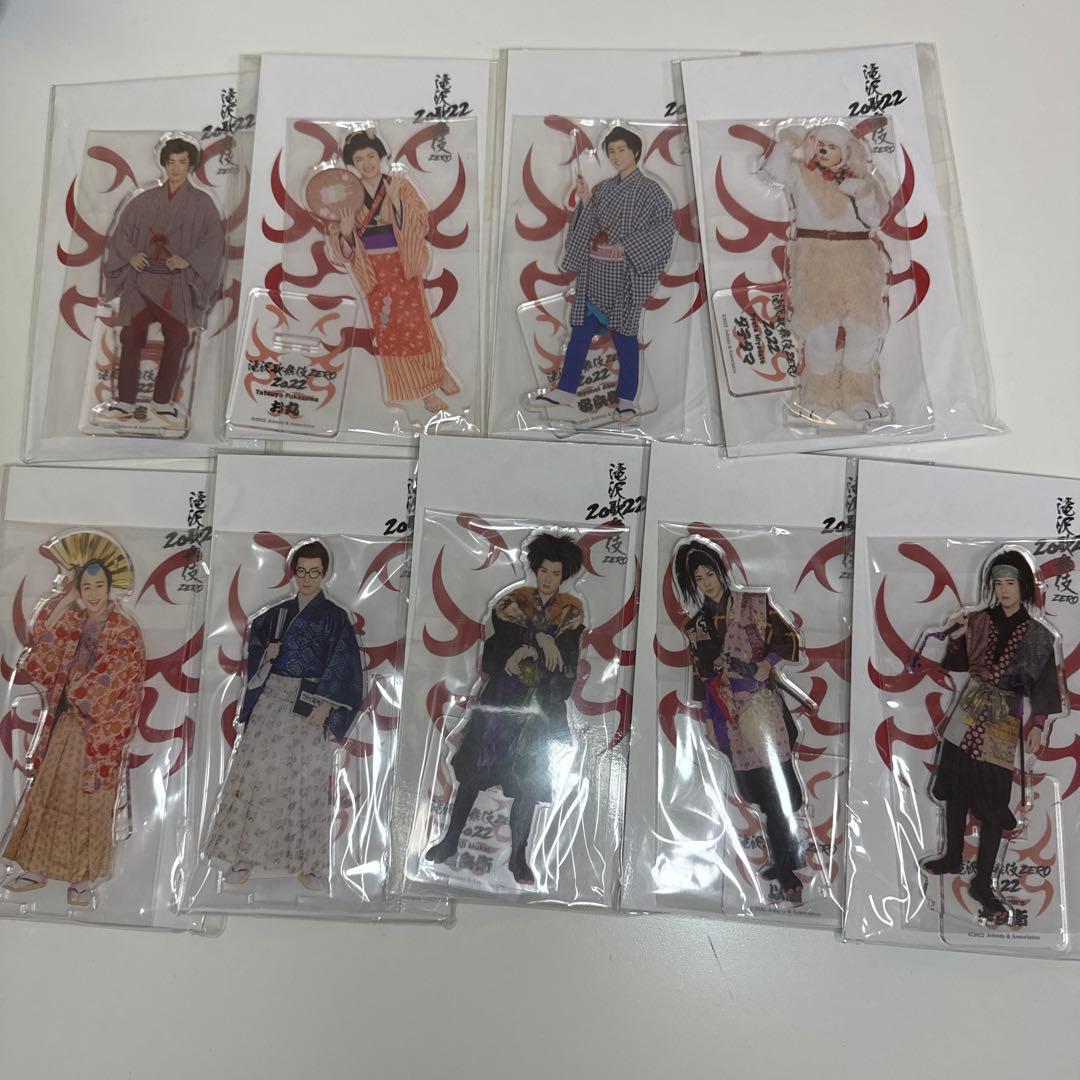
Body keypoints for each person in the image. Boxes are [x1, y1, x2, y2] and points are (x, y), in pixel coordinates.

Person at [426, 532, 586, 886]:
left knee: (528, 782)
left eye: (556, 573)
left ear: (564, 576)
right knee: (472, 775)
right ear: (535, 569)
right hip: (500, 703)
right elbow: (493, 654)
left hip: (539, 709)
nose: (548, 579)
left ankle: (518, 856)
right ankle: (450, 840)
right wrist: (532, 643)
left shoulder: (570, 613)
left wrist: (541, 645)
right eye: (543, 571)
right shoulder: (513, 603)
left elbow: (567, 668)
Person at [205, 540, 364, 891]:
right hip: (273, 697)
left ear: (325, 574)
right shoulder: (273, 617)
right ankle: (243, 855)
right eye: (301, 571)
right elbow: (256, 653)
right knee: (258, 774)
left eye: (314, 572)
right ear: (293, 572)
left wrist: (326, 705)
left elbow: (345, 665)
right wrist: (267, 655)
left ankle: (309, 862)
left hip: (311, 702)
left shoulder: (335, 618)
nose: (307, 578)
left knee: (306, 781)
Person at [2, 546, 145, 908]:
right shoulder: (75, 621)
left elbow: (122, 678)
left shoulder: (124, 629)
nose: (93, 594)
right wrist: (66, 598)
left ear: (109, 588)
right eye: (86, 587)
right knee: (50, 793)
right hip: (66, 723)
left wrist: (80, 685)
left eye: (99, 586)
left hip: (98, 731)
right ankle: (37, 867)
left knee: (90, 803)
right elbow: (43, 639)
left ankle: (83, 879)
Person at [923, 550, 1063, 921]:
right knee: (955, 788)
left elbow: (1044, 685)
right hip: (968, 709)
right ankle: (953, 856)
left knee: (993, 802)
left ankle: (983, 882)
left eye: (1010, 583)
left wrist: (1037, 725)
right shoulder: (978, 620)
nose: (1003, 590)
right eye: (998, 584)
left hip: (1002, 720)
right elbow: (956, 665)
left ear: (1024, 587)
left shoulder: (1038, 635)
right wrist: (956, 637)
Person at [673, 538, 806, 904]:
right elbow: (701, 675)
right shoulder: (697, 625)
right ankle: (786, 855)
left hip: (762, 708)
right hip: (727, 713)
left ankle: (787, 869)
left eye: (710, 574)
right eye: (698, 579)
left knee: (779, 788)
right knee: (757, 790)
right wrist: (709, 719)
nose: (707, 583)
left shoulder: (755, 604)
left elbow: (789, 641)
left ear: (721, 571)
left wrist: (767, 663)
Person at [531, 125, 675, 422]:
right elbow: (591, 225)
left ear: (636, 151)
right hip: (595, 274)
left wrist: (627, 248)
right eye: (611, 151)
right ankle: (566, 390)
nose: (616, 156)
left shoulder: (651, 191)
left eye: (622, 150)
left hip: (625, 277)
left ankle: (627, 400)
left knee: (625, 338)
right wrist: (585, 200)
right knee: (580, 333)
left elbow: (664, 229)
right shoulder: (605, 189)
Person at [761, 123, 890, 426]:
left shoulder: (863, 180)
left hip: (858, 259)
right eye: (820, 145)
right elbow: (773, 172)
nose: (824, 151)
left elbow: (875, 219)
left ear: (847, 151)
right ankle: (817, 397)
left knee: (865, 330)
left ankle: (859, 395)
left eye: (832, 147)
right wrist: (790, 142)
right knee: (819, 333)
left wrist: (863, 194)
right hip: (816, 259)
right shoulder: (800, 174)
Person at [325, 130, 460, 415]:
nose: (367, 164)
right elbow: (341, 243)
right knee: (390, 331)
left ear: (381, 156)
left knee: (418, 325)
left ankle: (437, 370)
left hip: (402, 265)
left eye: (371, 156)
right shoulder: (349, 196)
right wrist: (346, 232)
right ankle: (424, 391)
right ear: (352, 164)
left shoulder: (400, 185)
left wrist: (398, 205)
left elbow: (420, 221)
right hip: (374, 272)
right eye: (359, 159)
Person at [97, 135, 225, 429]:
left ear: (191, 165)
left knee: (178, 338)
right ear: (164, 164)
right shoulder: (143, 200)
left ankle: (162, 403)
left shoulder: (202, 203)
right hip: (141, 281)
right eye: (171, 162)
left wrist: (188, 260)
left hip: (175, 283)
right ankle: (125, 403)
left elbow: (214, 242)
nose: (176, 168)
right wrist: (130, 255)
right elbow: (121, 235)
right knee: (131, 337)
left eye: (182, 162)